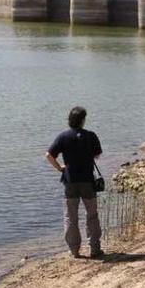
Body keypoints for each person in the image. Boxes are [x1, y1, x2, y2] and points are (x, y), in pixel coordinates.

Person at [45, 106, 103, 258]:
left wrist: (60, 168)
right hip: (88, 181)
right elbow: (97, 155)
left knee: (71, 216)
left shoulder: (63, 136)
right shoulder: (91, 135)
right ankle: (95, 248)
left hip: (70, 181)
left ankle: (74, 251)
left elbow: (49, 155)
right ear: (83, 120)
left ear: (70, 120)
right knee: (92, 214)